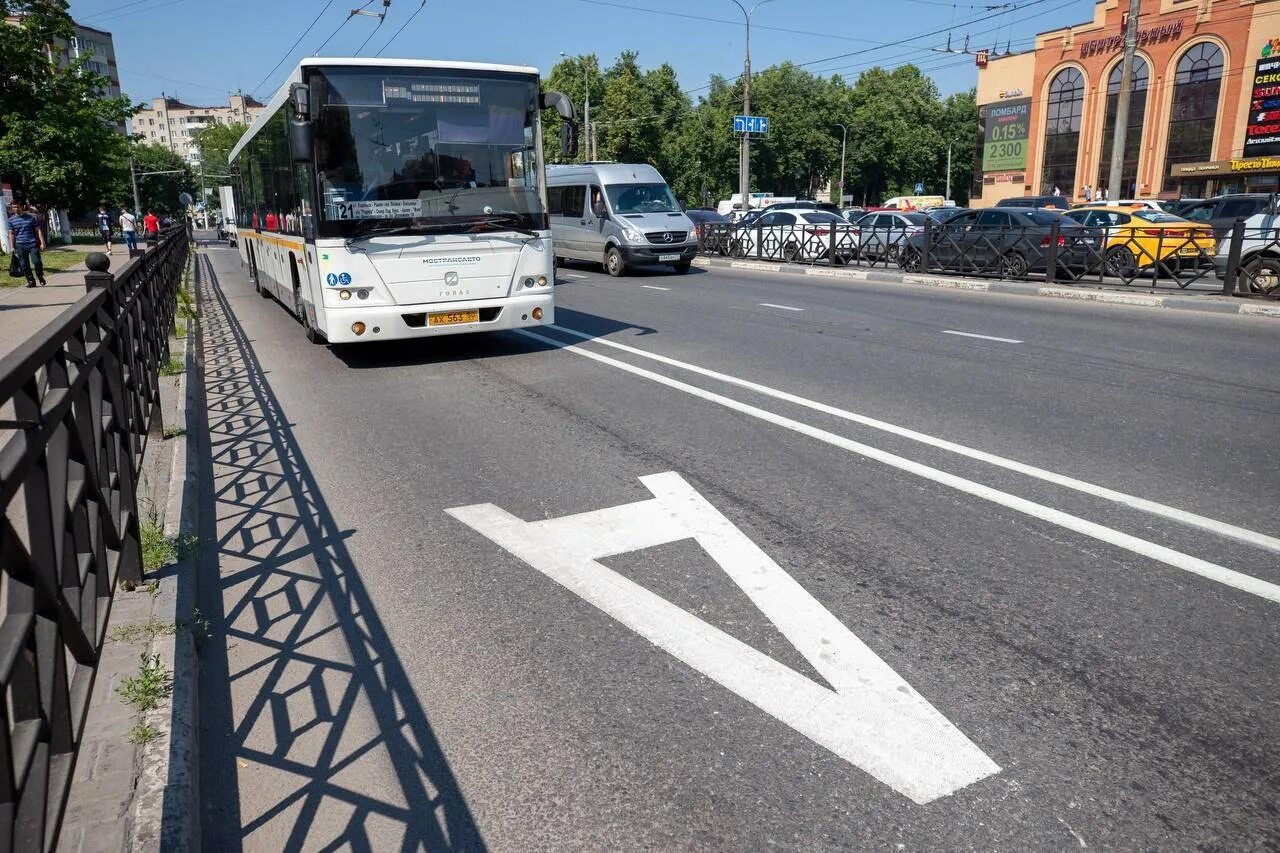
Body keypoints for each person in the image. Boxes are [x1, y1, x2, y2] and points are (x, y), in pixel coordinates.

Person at [6, 201, 47, 288]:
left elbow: (38, 230)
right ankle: (31, 281)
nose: (16, 209)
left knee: (37, 262)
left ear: (22, 207)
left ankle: (40, 276)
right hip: (20, 245)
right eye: (14, 207)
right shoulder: (11, 220)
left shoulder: (31, 218)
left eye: (17, 207)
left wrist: (42, 243)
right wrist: (12, 246)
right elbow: (11, 234)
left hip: (32, 243)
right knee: (24, 265)